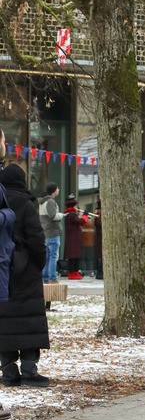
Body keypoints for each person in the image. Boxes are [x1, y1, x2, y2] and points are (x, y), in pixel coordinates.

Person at [0, 164, 51, 387]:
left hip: (2, 271)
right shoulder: (26, 205)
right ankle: (30, 371)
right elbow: (37, 241)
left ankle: (9, 372)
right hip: (26, 271)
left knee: (4, 322)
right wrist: (37, 265)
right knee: (30, 321)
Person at [38, 183, 64, 282]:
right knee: (53, 256)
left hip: (45, 232)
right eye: (57, 188)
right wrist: (61, 215)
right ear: (53, 190)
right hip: (53, 232)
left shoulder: (42, 202)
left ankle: (45, 278)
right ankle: (52, 278)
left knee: (47, 257)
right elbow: (53, 216)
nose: (59, 190)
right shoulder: (50, 201)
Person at [63, 195, 87, 280]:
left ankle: (75, 272)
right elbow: (80, 221)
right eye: (75, 206)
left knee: (75, 256)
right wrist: (85, 216)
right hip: (73, 239)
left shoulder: (70, 214)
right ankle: (73, 273)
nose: (77, 207)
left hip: (73, 238)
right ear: (73, 206)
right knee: (73, 257)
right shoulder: (71, 214)